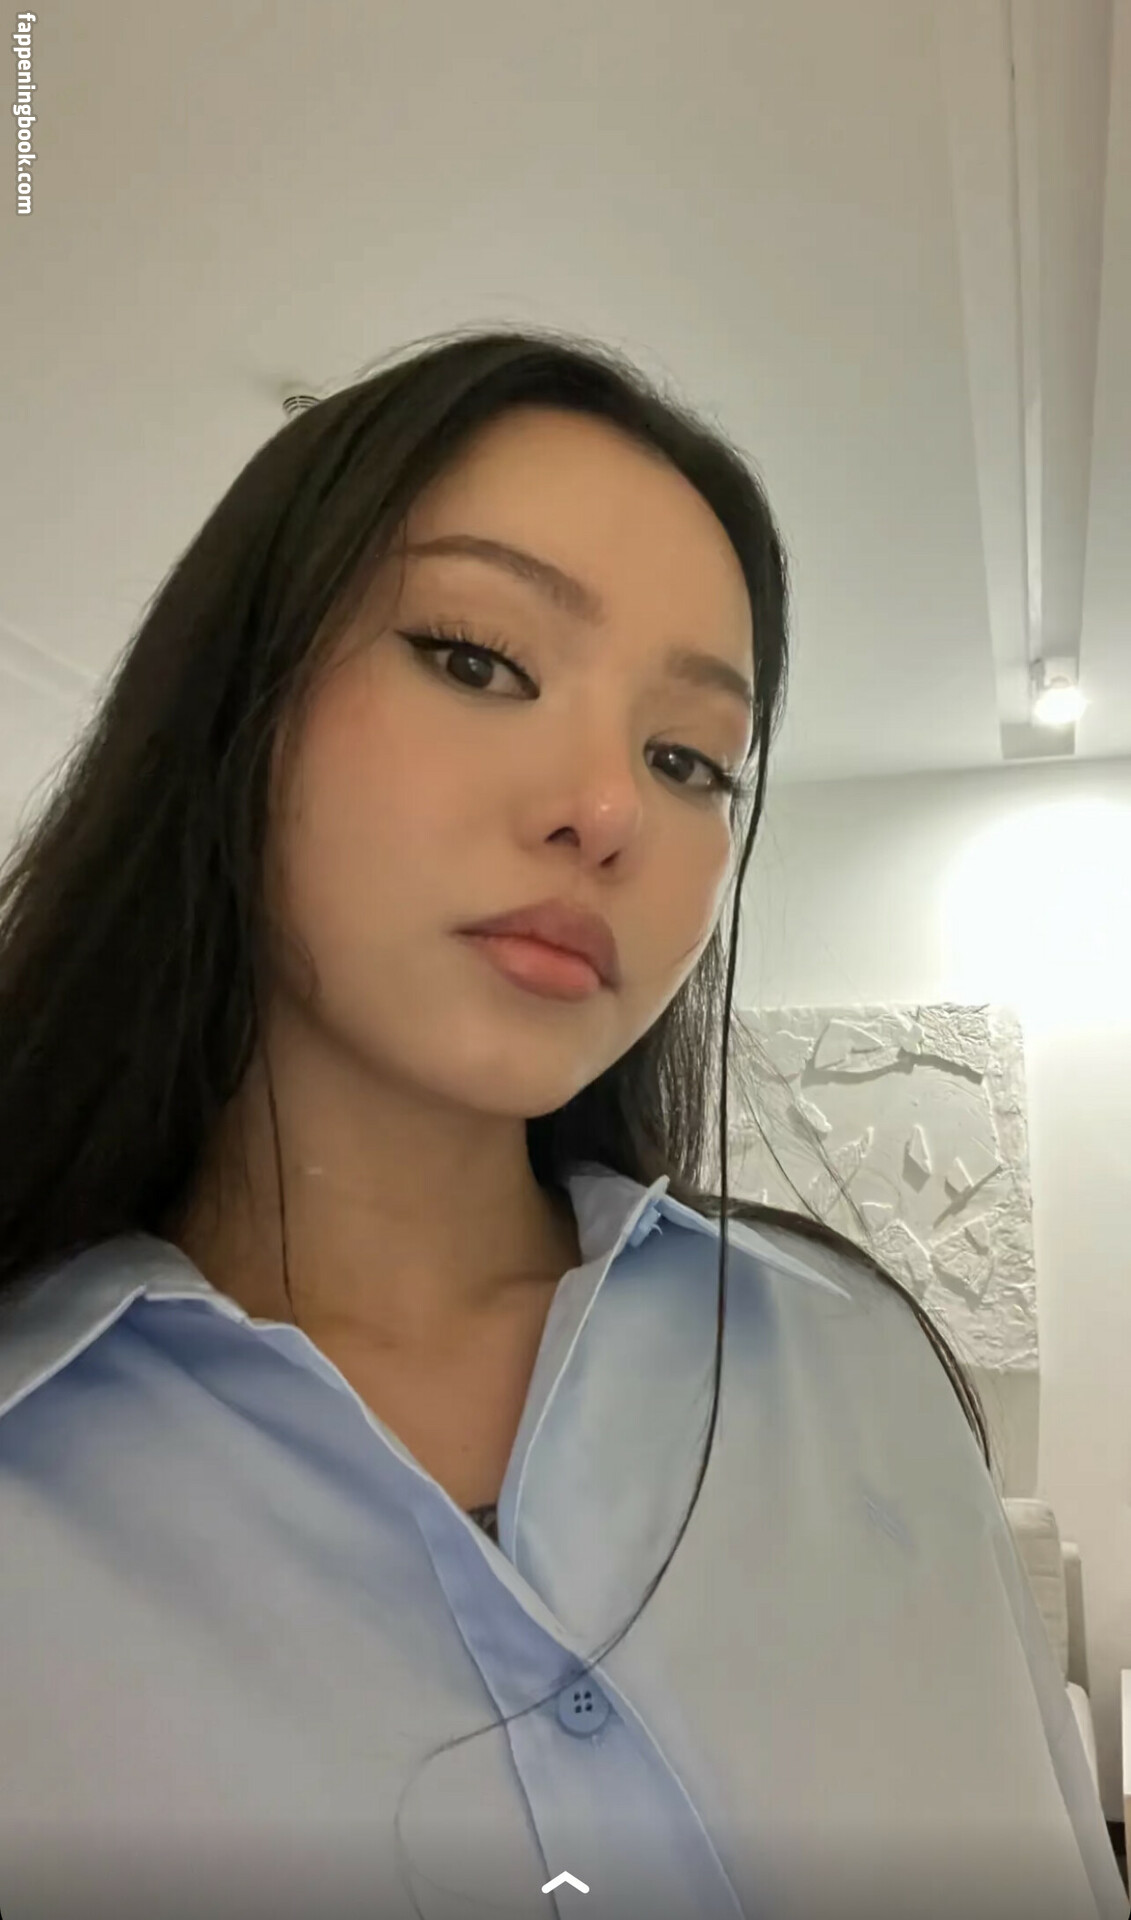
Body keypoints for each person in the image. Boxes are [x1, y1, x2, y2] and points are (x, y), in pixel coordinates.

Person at [0, 328, 1124, 1920]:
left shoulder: (857, 1371)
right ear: (236, 701)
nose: (608, 809)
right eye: (477, 659)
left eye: (688, 758)